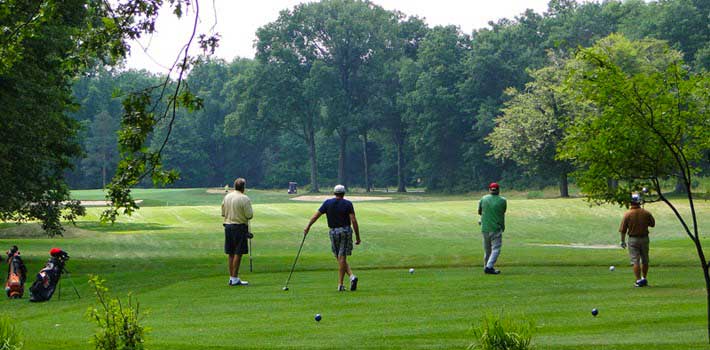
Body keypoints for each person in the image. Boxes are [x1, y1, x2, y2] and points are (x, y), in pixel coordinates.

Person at [304, 185, 361, 291]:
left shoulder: (327, 203)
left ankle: (341, 284)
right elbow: (353, 220)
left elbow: (316, 216)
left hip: (333, 232)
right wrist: (358, 237)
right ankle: (350, 278)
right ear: (344, 193)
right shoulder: (348, 204)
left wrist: (308, 226)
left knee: (340, 257)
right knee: (341, 258)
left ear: (334, 193)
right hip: (345, 231)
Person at [221, 178, 253, 286]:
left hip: (228, 226)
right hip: (239, 227)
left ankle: (232, 277)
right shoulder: (244, 198)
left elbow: (223, 212)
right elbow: (249, 215)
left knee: (231, 253)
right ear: (243, 187)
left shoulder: (227, 197)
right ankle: (234, 278)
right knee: (238, 253)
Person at [619, 193, 655, 287]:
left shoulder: (628, 214)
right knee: (645, 260)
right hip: (644, 239)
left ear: (631, 203)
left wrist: (622, 241)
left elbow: (623, 230)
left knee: (635, 261)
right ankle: (644, 278)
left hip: (633, 239)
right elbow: (652, 224)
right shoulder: (646, 213)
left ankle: (638, 280)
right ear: (639, 202)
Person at [478, 182, 507, 275]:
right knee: (496, 249)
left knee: (487, 250)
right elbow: (502, 213)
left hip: (485, 228)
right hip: (496, 228)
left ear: (489, 190)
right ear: (498, 190)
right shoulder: (502, 200)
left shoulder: (484, 198)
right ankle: (489, 267)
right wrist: (503, 226)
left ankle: (486, 266)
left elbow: (480, 212)